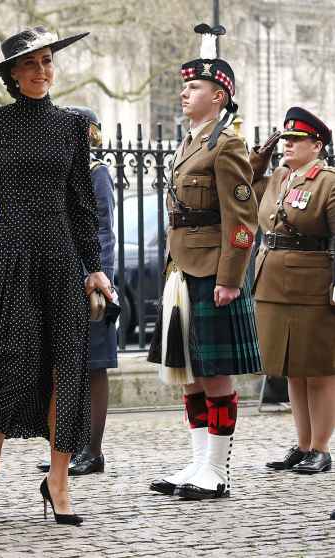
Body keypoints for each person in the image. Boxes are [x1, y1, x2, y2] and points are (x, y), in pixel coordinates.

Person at [0, 27, 113, 526]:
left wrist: (94, 267)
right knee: (13, 360)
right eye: (31, 65)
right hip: (12, 252)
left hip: (60, 254)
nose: (42, 71)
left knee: (67, 367)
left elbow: (81, 203)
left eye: (47, 63)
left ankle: (58, 480)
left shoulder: (71, 127)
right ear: (13, 75)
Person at [147, 24, 260, 501]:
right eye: (185, 85)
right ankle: (196, 463)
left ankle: (216, 469)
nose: (183, 92)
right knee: (188, 371)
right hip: (182, 268)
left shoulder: (226, 143)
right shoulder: (190, 141)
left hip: (212, 268)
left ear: (219, 96)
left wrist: (230, 278)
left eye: (193, 87)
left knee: (214, 373)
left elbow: (242, 217)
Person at [250, 107, 335, 475]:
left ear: (316, 145)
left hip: (311, 285)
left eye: (296, 140)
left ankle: (321, 447)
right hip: (271, 281)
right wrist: (260, 156)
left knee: (319, 370)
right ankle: (302, 445)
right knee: (291, 370)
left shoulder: (328, 181)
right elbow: (242, 190)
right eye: (285, 139)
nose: (287, 145)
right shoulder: (278, 177)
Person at [39, 106, 118, 476]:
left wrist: (96, 276)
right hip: (56, 275)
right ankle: (66, 448)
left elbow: (103, 230)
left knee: (93, 365)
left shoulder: (94, 172)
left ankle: (93, 450)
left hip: (87, 279)